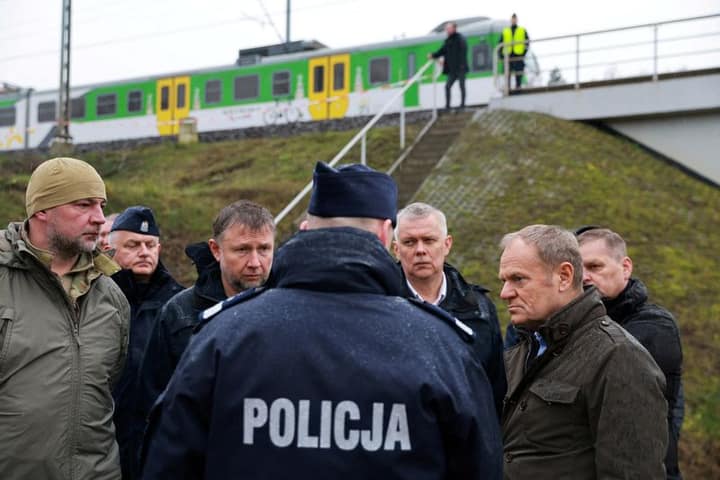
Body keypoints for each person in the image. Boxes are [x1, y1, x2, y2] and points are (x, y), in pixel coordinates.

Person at [141, 162, 503, 479]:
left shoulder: (222, 335)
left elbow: (166, 461)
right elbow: (480, 465)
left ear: (306, 228)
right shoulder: (439, 345)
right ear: (385, 234)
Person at [499, 224, 667, 479]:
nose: (505, 293)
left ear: (564, 276)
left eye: (518, 279)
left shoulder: (619, 357)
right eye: (504, 281)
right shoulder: (519, 351)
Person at [0, 157, 130, 479]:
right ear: (42, 210)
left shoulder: (112, 297)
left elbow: (110, 386)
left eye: (101, 206)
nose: (99, 218)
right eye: (84, 205)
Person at [137, 200, 275, 424]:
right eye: (242, 250)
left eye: (264, 249)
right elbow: (152, 404)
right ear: (216, 250)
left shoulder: (291, 312)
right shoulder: (179, 313)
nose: (254, 262)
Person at [577, 226, 684, 480]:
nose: (584, 278)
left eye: (594, 266)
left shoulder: (654, 326)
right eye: (578, 270)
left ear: (625, 268)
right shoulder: (578, 324)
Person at [393, 202, 506, 417]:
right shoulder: (379, 305)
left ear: (446, 244)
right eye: (409, 242)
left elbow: (495, 386)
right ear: (396, 250)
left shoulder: (479, 308)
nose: (420, 250)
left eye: (429, 240)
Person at [109, 205, 184, 480]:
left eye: (150, 245)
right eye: (133, 245)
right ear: (111, 250)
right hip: (104, 445)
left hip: (158, 446)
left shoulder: (180, 306)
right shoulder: (94, 300)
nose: (144, 252)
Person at [428, 21, 468, 111]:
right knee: (447, 86)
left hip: (460, 68)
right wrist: (433, 55)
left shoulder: (461, 39)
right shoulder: (447, 41)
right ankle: (447, 106)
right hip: (452, 70)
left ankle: (462, 105)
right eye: (446, 29)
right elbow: (441, 51)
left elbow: (463, 52)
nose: (447, 30)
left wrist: (462, 65)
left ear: (454, 28)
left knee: (462, 86)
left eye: (448, 28)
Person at [501, 14, 530, 91]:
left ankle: (518, 87)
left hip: (519, 54)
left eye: (515, 19)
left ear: (517, 20)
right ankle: (508, 88)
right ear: (511, 20)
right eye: (512, 19)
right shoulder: (505, 31)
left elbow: (527, 42)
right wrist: (501, 55)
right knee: (507, 72)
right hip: (508, 55)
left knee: (519, 71)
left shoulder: (522, 30)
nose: (514, 20)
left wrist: (524, 53)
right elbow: (500, 43)